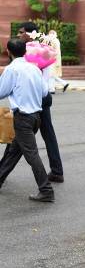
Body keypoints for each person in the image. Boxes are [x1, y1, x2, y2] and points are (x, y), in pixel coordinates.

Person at [0, 38, 54, 202]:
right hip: (35, 117)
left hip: (22, 118)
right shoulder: (35, 68)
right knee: (14, 151)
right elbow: (45, 92)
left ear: (8, 52)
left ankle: (46, 190)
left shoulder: (12, 70)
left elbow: (1, 92)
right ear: (25, 51)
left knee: (31, 155)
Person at [14, 22, 64, 182]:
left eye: (21, 32)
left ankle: (3, 169)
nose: (18, 35)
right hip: (43, 95)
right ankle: (57, 170)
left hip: (38, 95)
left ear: (29, 33)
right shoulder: (42, 47)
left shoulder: (35, 50)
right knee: (46, 134)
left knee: (22, 135)